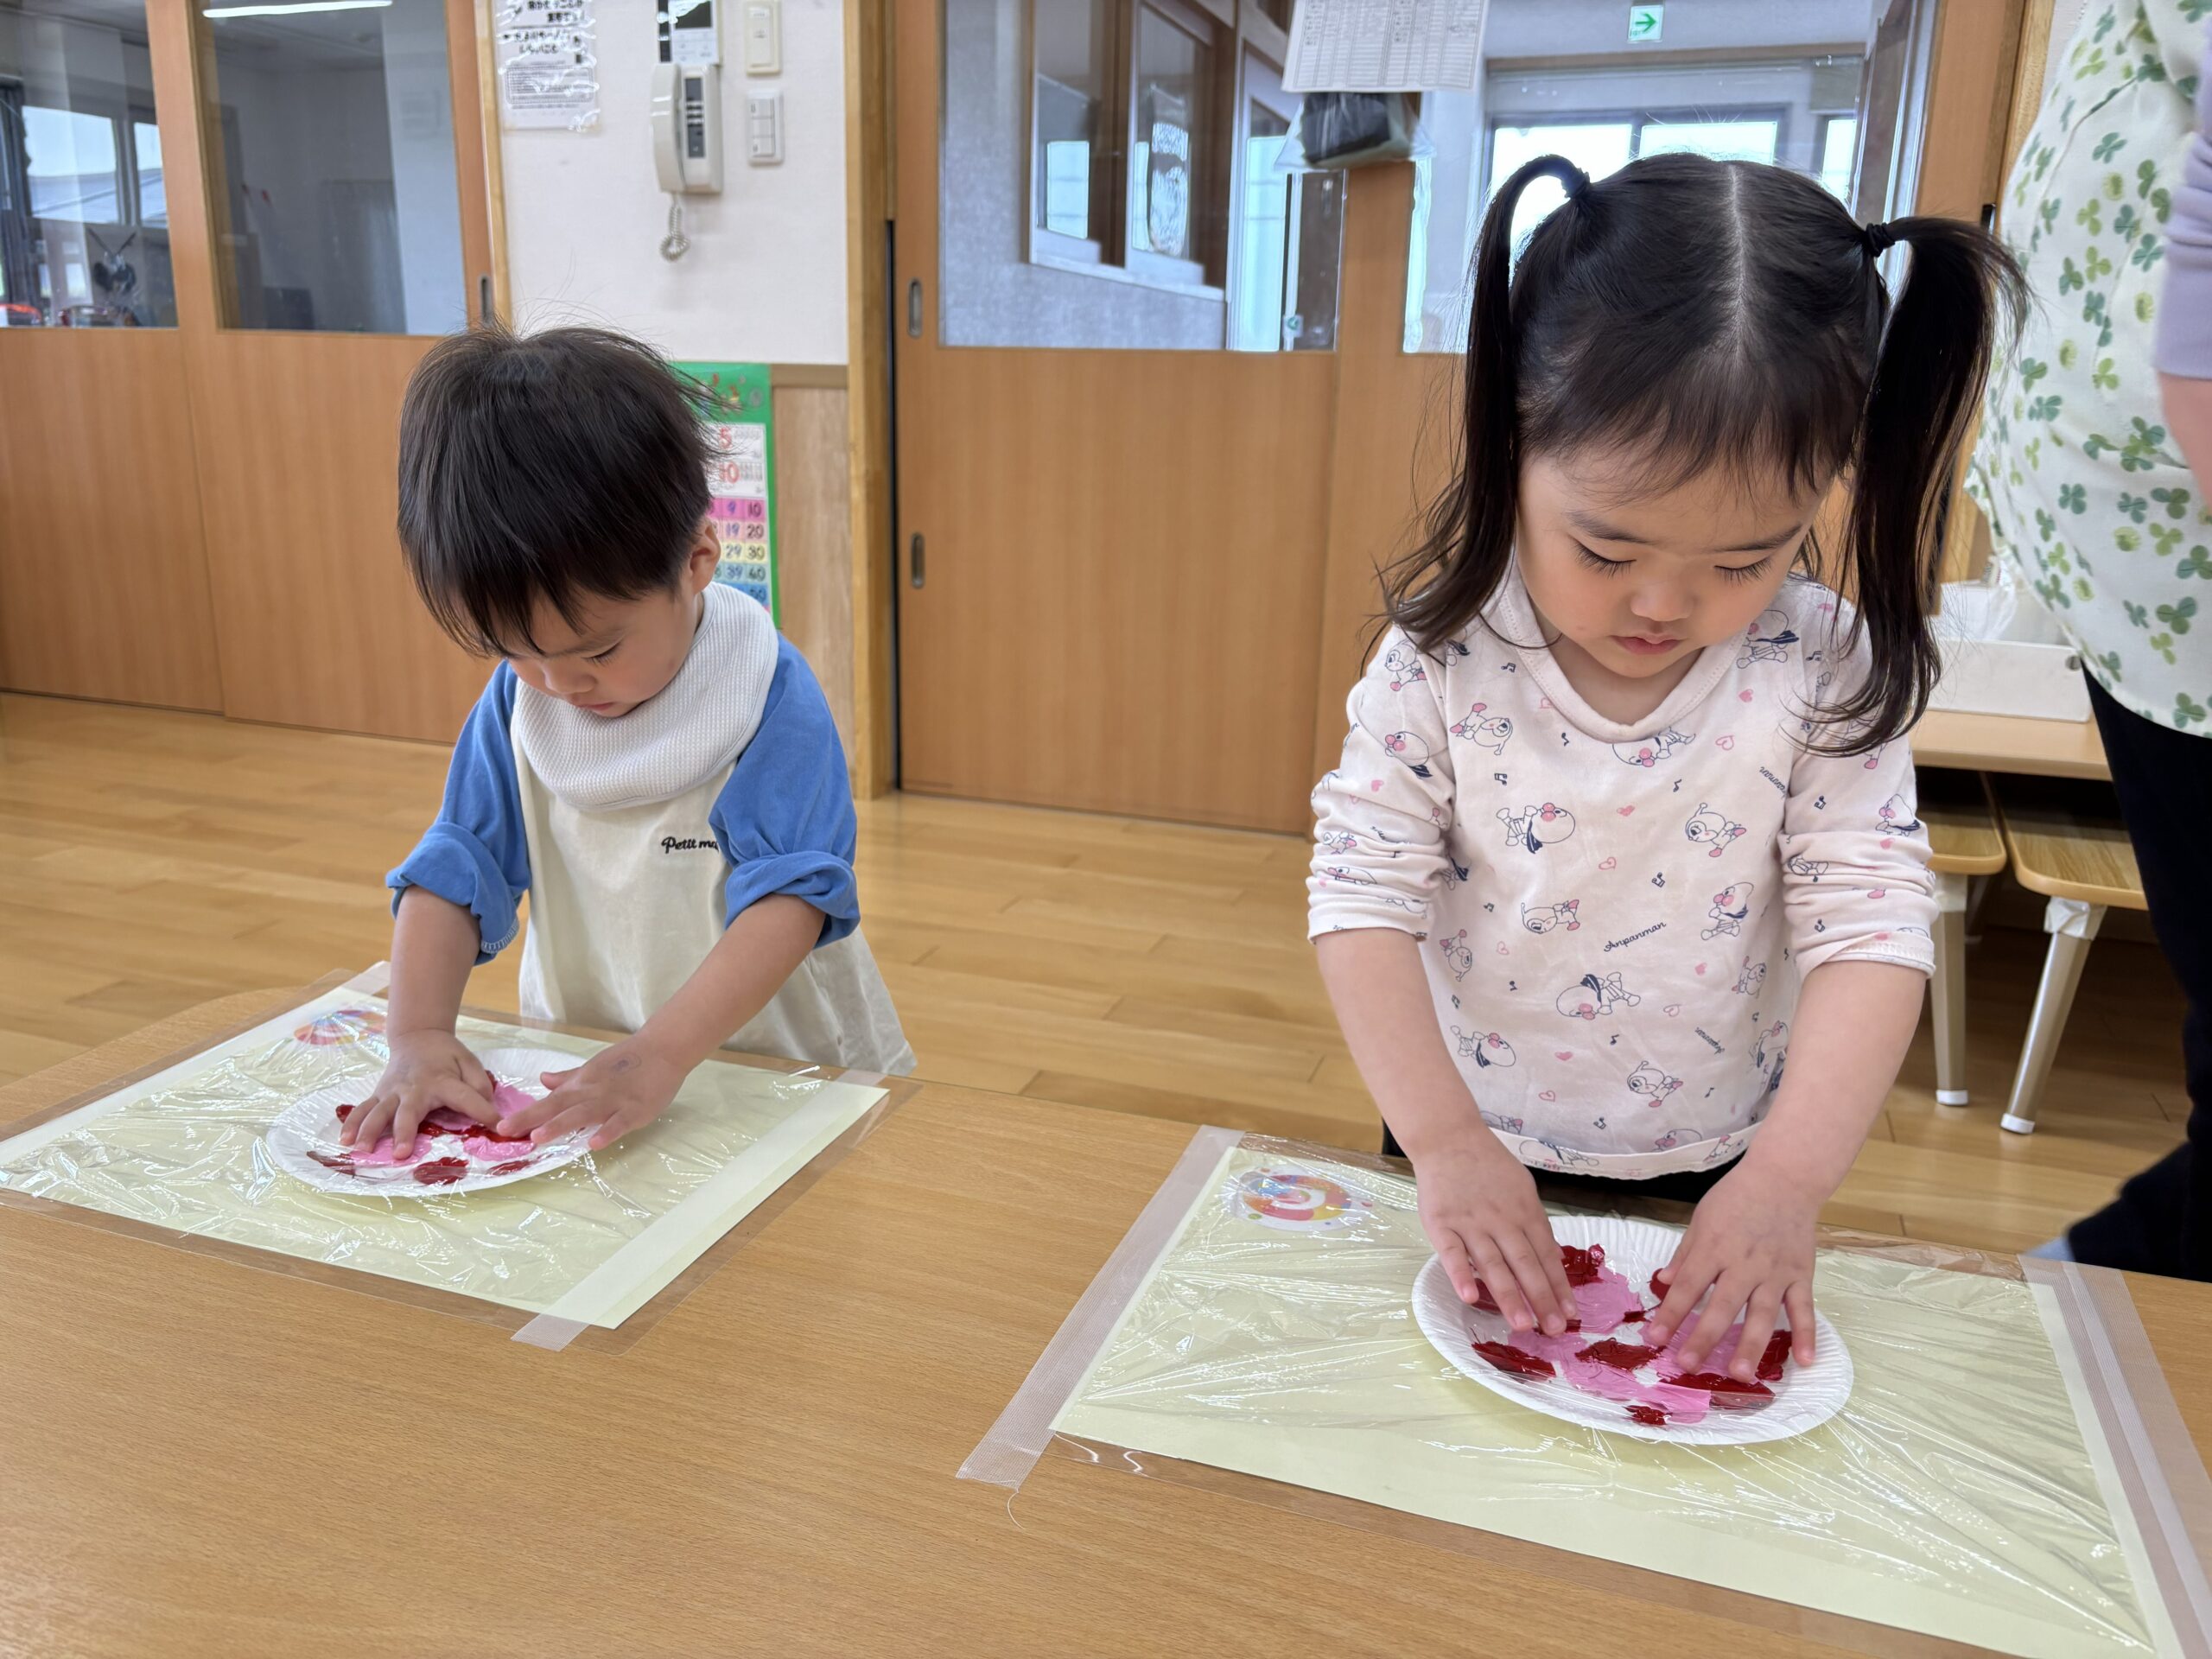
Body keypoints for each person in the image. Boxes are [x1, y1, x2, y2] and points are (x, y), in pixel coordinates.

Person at [1310, 151, 2021, 1382]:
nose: (1663, 605)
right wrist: (1444, 1143)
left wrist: (1787, 1181)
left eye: (1744, 561)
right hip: (1463, 1131)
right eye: (1606, 549)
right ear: (1511, 440)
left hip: (1722, 1154)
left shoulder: (1817, 665)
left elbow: (1872, 927)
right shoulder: (1442, 658)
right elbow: (1361, 893)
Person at [339, 325, 912, 1160]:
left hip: (775, 1064)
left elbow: (793, 900)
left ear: (697, 559)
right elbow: (458, 864)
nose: (560, 684)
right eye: (517, 652)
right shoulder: (521, 705)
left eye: (599, 651)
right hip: (590, 1067)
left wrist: (663, 1055)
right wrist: (418, 1034)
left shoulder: (762, 695)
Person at [1968, 2, 2212, 1280]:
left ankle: (2082, 1301)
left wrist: (1789, 1172)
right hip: (2151, 551)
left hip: (2145, 542)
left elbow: (1863, 919)